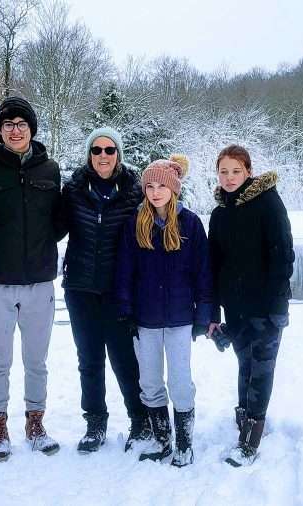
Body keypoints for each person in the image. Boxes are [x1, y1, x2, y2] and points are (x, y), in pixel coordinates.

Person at [0, 96, 65, 462]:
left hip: (40, 282)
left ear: (31, 129)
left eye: (21, 123)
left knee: (36, 360)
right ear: (0, 131)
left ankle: (35, 421)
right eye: (7, 124)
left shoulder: (50, 170)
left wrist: (39, 245)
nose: (15, 129)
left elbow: (59, 220)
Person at [113, 155, 215, 467]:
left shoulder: (191, 223)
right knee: (150, 382)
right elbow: (124, 271)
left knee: (180, 381)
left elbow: (203, 273)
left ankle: (184, 444)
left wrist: (205, 314)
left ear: (174, 189)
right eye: (150, 186)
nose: (156, 192)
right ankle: (162, 440)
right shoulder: (136, 223)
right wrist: (126, 310)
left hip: (180, 319)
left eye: (162, 186)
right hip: (146, 319)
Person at [60, 127, 149, 453]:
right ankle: (95, 423)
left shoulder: (133, 191)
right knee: (90, 359)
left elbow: (154, 229)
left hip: (119, 289)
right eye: (96, 150)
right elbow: (52, 226)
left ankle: (139, 420)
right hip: (80, 287)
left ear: (118, 154)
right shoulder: (72, 190)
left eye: (109, 150)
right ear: (89, 154)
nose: (102, 156)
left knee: (125, 359)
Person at [207, 144, 294, 467]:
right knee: (245, 364)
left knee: (262, 368)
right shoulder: (219, 214)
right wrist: (213, 314)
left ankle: (251, 438)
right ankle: (244, 416)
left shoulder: (268, 203)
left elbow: (283, 256)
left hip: (266, 306)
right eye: (223, 171)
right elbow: (212, 266)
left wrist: (278, 306)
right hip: (235, 307)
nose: (229, 178)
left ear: (248, 172)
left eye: (236, 171)